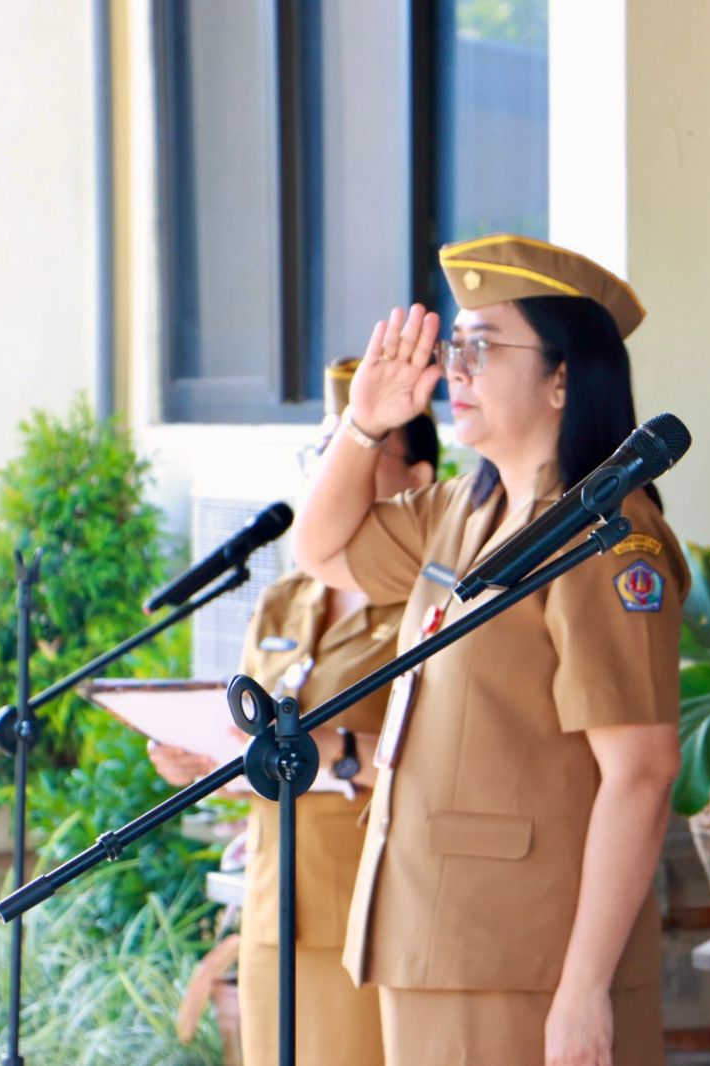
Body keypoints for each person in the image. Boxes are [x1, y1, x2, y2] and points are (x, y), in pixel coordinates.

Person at [290, 234, 685, 1066]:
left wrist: (583, 992)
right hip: (429, 935)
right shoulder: (460, 511)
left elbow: (639, 774)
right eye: (450, 347)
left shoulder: (605, 538)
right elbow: (320, 552)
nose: (453, 371)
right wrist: (364, 425)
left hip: (527, 961)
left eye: (480, 347)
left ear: (563, 377)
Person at [148, 360, 438, 1066]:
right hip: (275, 904)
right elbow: (252, 747)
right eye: (325, 450)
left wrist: (339, 752)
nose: (331, 469)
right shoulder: (286, 598)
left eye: (358, 446)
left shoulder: (434, 602)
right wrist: (207, 763)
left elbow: (445, 758)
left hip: (369, 911)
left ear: (420, 479)